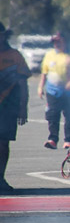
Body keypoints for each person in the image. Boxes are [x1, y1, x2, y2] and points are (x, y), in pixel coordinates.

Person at [0, 22, 30, 192]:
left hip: (7, 107)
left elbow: (23, 85)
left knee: (3, 144)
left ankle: (0, 178)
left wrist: (23, 108)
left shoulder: (15, 56)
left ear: (5, 35)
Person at [37, 32, 70, 149]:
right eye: (54, 42)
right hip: (53, 90)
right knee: (53, 115)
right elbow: (44, 72)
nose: (56, 44)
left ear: (65, 41)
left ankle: (68, 140)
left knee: (69, 116)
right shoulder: (49, 55)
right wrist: (40, 87)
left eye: (59, 41)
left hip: (68, 92)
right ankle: (53, 139)